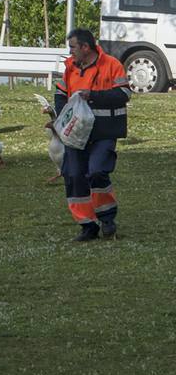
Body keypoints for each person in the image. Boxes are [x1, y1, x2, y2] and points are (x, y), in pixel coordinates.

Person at [54, 27, 131, 242]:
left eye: (73, 47)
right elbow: (60, 93)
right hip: (76, 134)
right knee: (73, 175)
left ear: (85, 47)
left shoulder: (112, 65)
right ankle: (87, 226)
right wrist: (62, 117)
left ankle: (107, 219)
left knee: (97, 171)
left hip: (104, 132)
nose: (71, 52)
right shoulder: (70, 68)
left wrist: (93, 96)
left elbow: (124, 94)